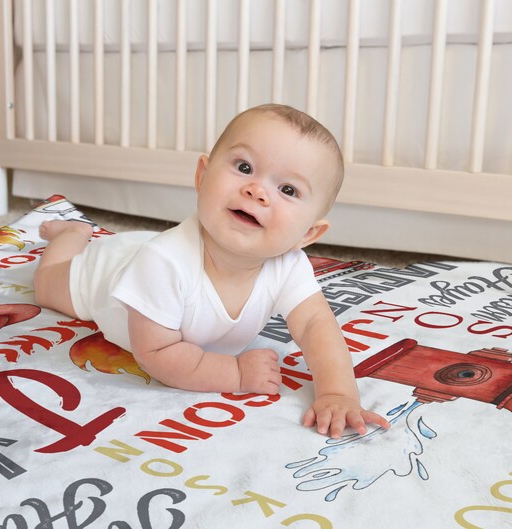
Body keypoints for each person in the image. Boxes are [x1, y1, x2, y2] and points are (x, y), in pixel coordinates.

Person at [33, 104, 391, 439]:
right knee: (48, 288)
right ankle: (72, 234)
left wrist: (338, 392)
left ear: (308, 234)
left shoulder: (288, 264)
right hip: (104, 275)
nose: (257, 191)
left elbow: (316, 326)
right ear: (202, 176)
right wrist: (234, 373)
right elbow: (155, 354)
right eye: (245, 167)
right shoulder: (163, 264)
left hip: (144, 253)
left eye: (287, 189)